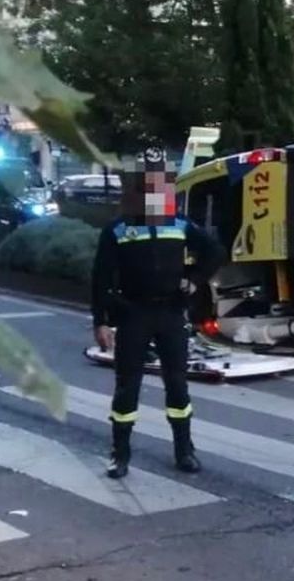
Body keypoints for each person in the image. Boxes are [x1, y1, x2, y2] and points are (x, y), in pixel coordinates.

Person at [90, 147, 224, 479]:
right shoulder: (118, 229)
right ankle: (119, 455)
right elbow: (100, 278)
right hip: (133, 314)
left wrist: (194, 281)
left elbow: (214, 252)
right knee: (127, 388)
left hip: (170, 314)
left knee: (178, 387)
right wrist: (101, 321)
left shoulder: (178, 223)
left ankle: (185, 451)